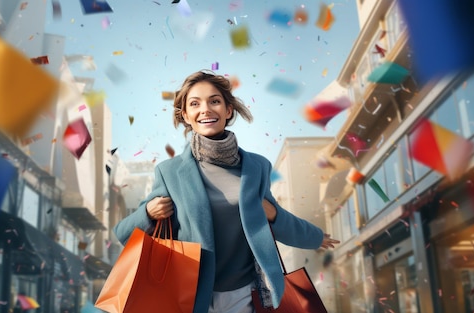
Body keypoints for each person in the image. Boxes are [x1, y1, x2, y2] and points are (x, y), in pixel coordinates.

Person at [113, 70, 340, 313]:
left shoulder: (257, 167)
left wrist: (314, 236)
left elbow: (274, 219)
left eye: (215, 101)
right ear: (186, 116)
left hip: (245, 292)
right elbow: (123, 233)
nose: (206, 109)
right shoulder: (169, 172)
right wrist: (148, 212)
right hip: (191, 293)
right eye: (195, 104)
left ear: (228, 110)